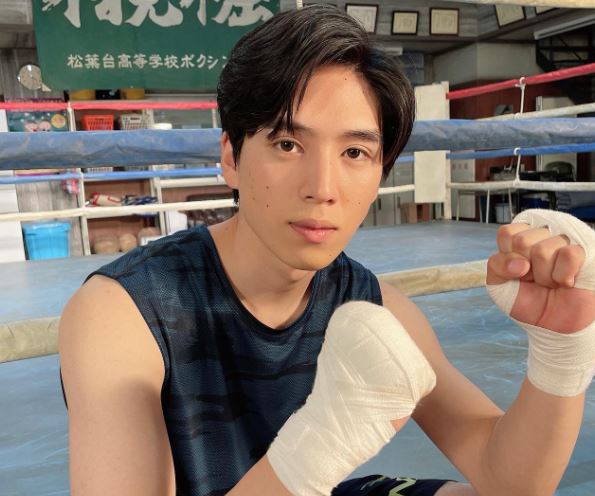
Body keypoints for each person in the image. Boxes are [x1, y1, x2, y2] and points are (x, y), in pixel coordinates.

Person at [59, 5, 594, 496]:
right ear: (232, 158)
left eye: (355, 152)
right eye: (288, 144)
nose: (323, 187)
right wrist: (325, 440)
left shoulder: (371, 306)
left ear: (379, 174)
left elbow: (508, 483)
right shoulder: (126, 312)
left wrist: (562, 352)